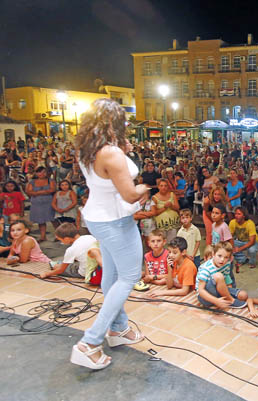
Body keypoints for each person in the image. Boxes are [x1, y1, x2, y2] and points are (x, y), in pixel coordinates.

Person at [71, 98, 149, 370]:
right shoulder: (111, 153)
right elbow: (129, 193)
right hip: (116, 220)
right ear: (113, 122)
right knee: (129, 277)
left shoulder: (87, 146)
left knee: (114, 276)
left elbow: (106, 178)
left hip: (97, 216)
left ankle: (118, 329)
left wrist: (124, 151)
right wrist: (145, 188)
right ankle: (90, 342)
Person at [195, 241, 247, 309]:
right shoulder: (205, 268)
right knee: (218, 276)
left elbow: (226, 279)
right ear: (213, 254)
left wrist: (229, 292)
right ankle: (230, 301)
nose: (222, 260)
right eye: (219, 256)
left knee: (243, 295)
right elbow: (200, 291)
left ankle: (227, 300)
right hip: (205, 297)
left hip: (218, 291)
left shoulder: (226, 264)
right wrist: (216, 301)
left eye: (226, 257)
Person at [26, 166, 56, 242]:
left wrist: (37, 193)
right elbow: (29, 192)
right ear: (36, 173)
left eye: (44, 172)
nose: (41, 174)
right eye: (39, 172)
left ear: (46, 173)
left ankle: (59, 235)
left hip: (49, 202)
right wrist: (45, 192)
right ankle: (43, 236)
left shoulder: (50, 180)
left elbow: (52, 189)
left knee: (53, 219)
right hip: (37, 203)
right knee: (40, 220)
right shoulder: (32, 181)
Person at [229, 206, 258, 271]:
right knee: (228, 246)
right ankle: (242, 259)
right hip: (240, 241)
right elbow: (229, 237)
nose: (236, 216)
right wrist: (232, 246)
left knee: (252, 250)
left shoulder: (250, 223)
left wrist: (239, 249)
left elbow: (252, 241)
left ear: (244, 216)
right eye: (235, 214)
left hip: (252, 242)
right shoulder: (232, 222)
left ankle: (252, 262)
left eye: (239, 214)